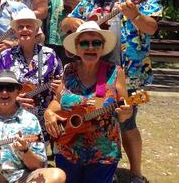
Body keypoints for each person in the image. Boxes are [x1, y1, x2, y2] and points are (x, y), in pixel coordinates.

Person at [61, 0, 161, 183]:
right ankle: (104, 166)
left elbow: (152, 28)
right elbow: (67, 22)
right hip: (96, 70)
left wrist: (135, 15)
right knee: (97, 120)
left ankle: (136, 173)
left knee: (126, 121)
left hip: (130, 70)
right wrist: (71, 21)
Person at [44, 21, 133, 183]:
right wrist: (48, 113)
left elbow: (123, 109)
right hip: (67, 148)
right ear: (77, 48)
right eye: (84, 43)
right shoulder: (69, 70)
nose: (90, 47)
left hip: (103, 153)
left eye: (96, 43)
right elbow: (57, 101)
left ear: (102, 47)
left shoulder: (115, 72)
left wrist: (126, 113)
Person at [0, 8, 63, 134]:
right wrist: (10, 99)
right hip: (12, 118)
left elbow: (62, 83)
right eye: (20, 27)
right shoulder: (5, 56)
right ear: (16, 31)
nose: (24, 30)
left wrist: (58, 88)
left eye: (29, 26)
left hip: (44, 121)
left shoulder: (49, 54)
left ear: (36, 30)